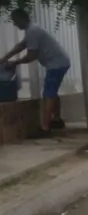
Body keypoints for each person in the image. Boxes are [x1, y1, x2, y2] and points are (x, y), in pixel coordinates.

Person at [0, 9, 72, 137]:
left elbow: (31, 56)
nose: (14, 24)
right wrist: (5, 58)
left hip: (56, 64)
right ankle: (56, 120)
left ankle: (45, 128)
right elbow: (21, 45)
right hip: (60, 62)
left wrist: (15, 63)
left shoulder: (33, 31)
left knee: (48, 93)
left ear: (22, 19)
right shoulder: (32, 29)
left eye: (15, 21)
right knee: (52, 91)